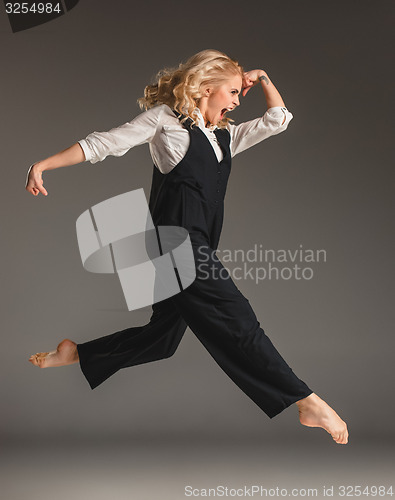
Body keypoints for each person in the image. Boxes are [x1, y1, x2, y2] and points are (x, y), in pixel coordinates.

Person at [26, 49, 348, 444]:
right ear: (205, 88)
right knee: (236, 316)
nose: (235, 100)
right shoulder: (167, 123)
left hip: (197, 245)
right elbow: (104, 143)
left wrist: (260, 77)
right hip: (173, 244)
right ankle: (304, 401)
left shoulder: (224, 136)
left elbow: (278, 119)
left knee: (162, 339)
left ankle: (76, 353)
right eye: (231, 92)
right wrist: (43, 165)